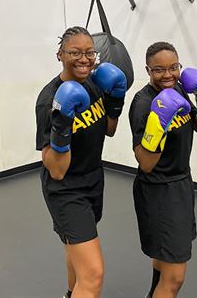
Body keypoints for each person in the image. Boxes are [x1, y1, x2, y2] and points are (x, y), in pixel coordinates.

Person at [35, 26, 127, 298]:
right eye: (75, 52)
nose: (84, 59)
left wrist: (115, 100)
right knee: (93, 275)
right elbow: (56, 169)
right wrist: (62, 124)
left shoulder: (95, 85)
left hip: (93, 180)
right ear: (60, 54)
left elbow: (109, 129)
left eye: (89, 53)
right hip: (66, 190)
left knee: (74, 250)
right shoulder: (49, 99)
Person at [128, 42, 197, 298]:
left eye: (173, 67)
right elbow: (146, 164)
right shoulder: (143, 103)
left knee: (163, 260)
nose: (168, 75)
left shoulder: (177, 90)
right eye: (159, 70)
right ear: (148, 70)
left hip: (181, 184)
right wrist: (158, 127)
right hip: (157, 191)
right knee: (175, 276)